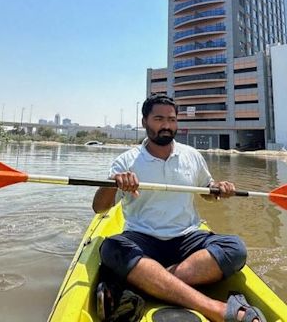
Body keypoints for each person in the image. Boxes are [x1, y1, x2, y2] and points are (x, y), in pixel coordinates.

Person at [92, 94, 265, 322]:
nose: (166, 125)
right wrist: (114, 183)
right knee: (112, 248)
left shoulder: (191, 155)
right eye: (159, 119)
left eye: (172, 119)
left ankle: (141, 284)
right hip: (142, 239)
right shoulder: (126, 161)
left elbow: (207, 191)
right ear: (144, 122)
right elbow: (99, 208)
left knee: (235, 249)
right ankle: (217, 309)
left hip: (188, 238)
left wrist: (218, 189)